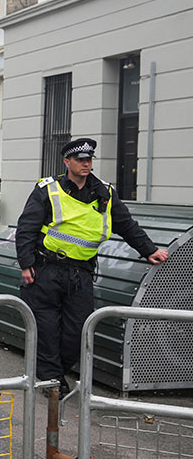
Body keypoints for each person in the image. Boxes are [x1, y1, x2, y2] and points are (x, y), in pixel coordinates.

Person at [15, 138, 168, 398]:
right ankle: (52, 381)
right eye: (80, 160)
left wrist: (149, 250)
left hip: (81, 274)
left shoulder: (104, 192)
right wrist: (27, 264)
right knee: (47, 330)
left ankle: (54, 373)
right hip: (46, 270)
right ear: (67, 162)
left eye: (89, 160)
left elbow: (125, 224)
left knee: (78, 332)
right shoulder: (48, 189)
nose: (86, 164)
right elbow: (27, 227)